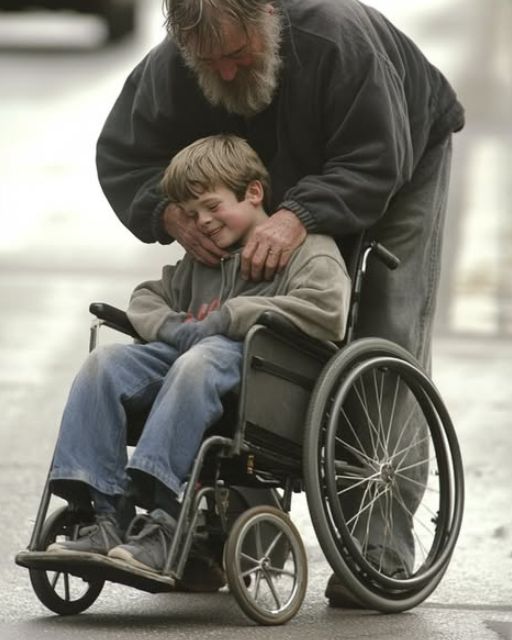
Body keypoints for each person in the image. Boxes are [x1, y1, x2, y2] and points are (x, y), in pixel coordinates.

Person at [95, 0, 465, 604]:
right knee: (234, 337)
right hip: (258, 185)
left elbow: (376, 158)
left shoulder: (337, 40)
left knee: (380, 327)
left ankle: (379, 543)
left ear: (267, 16)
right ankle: (222, 531)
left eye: (238, 56)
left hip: (392, 161)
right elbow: (122, 154)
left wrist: (300, 214)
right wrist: (165, 211)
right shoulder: (178, 62)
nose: (229, 73)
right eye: (211, 63)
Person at [46, 134, 351, 580]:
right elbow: (147, 297)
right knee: (104, 364)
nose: (202, 222)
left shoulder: (308, 248)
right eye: (191, 215)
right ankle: (103, 514)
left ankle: (166, 517)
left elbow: (328, 313)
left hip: (266, 380)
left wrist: (232, 315)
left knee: (203, 357)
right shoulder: (203, 259)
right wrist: (175, 326)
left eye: (211, 206)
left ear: (252, 193)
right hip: (189, 368)